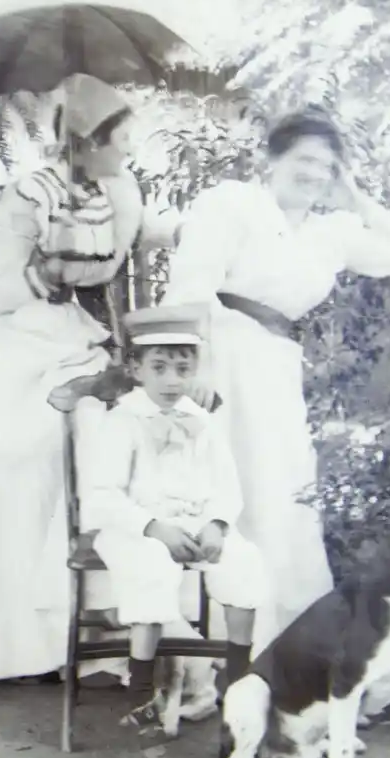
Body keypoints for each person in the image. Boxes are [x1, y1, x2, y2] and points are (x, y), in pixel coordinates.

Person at [160, 109, 390, 650]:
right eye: (304, 160)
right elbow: (190, 286)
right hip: (220, 359)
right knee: (226, 492)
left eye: (327, 164)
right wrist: (195, 364)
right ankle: (203, 652)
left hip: (274, 367)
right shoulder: (232, 203)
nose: (315, 173)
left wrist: (360, 201)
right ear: (271, 159)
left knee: (281, 497)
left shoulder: (333, 231)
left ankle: (273, 650)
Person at [0, 73, 180, 684]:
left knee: (89, 445)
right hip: (5, 343)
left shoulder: (120, 190)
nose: (125, 153)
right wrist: (46, 272)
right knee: (13, 478)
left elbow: (130, 245)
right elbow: (2, 285)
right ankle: (5, 643)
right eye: (116, 141)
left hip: (68, 335)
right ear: (84, 141)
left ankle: (79, 631)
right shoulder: (27, 193)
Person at [77, 304, 266, 727]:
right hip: (134, 527)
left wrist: (217, 524)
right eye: (159, 367)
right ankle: (141, 688)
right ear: (136, 368)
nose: (171, 380)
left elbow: (227, 487)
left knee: (243, 560)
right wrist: (153, 527)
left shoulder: (203, 422)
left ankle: (237, 677)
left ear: (195, 368)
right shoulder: (122, 420)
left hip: (196, 524)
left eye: (182, 368)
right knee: (150, 567)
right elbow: (102, 495)